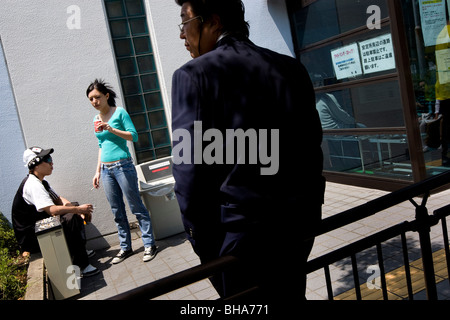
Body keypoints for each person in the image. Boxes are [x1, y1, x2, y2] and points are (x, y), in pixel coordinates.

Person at [172, 0, 325, 300]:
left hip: (240, 240)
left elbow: (189, 175)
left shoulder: (193, 75)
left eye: (184, 23)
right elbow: (311, 148)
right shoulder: (290, 67)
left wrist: (204, 247)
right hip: (298, 228)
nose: (182, 35)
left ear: (213, 21)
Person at [87, 79, 157, 264]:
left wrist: (111, 128)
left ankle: (149, 244)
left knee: (136, 207)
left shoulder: (119, 113)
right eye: (91, 99)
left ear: (106, 95)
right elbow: (101, 145)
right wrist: (97, 172)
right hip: (106, 169)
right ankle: (125, 247)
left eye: (97, 97)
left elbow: (133, 136)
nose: (94, 102)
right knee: (117, 210)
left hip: (122, 166)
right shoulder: (95, 119)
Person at [12, 146, 99, 277]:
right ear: (35, 164)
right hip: (32, 237)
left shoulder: (41, 181)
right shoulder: (33, 185)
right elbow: (52, 210)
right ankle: (82, 264)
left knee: (72, 208)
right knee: (70, 218)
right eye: (47, 159)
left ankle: (80, 249)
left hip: (41, 225)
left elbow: (58, 199)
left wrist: (76, 209)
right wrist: (77, 210)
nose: (51, 162)